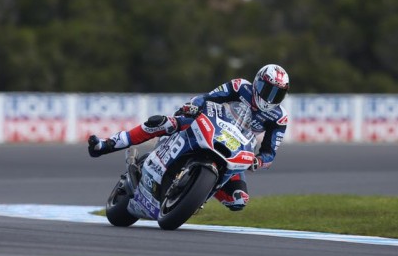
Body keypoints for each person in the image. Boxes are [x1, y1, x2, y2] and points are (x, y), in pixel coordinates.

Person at [88, 64, 290, 211]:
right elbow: (208, 97)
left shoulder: (279, 117)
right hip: (211, 125)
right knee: (162, 122)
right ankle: (106, 144)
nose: (270, 98)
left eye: (277, 94)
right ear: (257, 83)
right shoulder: (240, 87)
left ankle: (198, 193)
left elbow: (270, 152)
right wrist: (193, 107)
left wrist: (258, 161)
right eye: (267, 90)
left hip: (236, 147)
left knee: (238, 201)